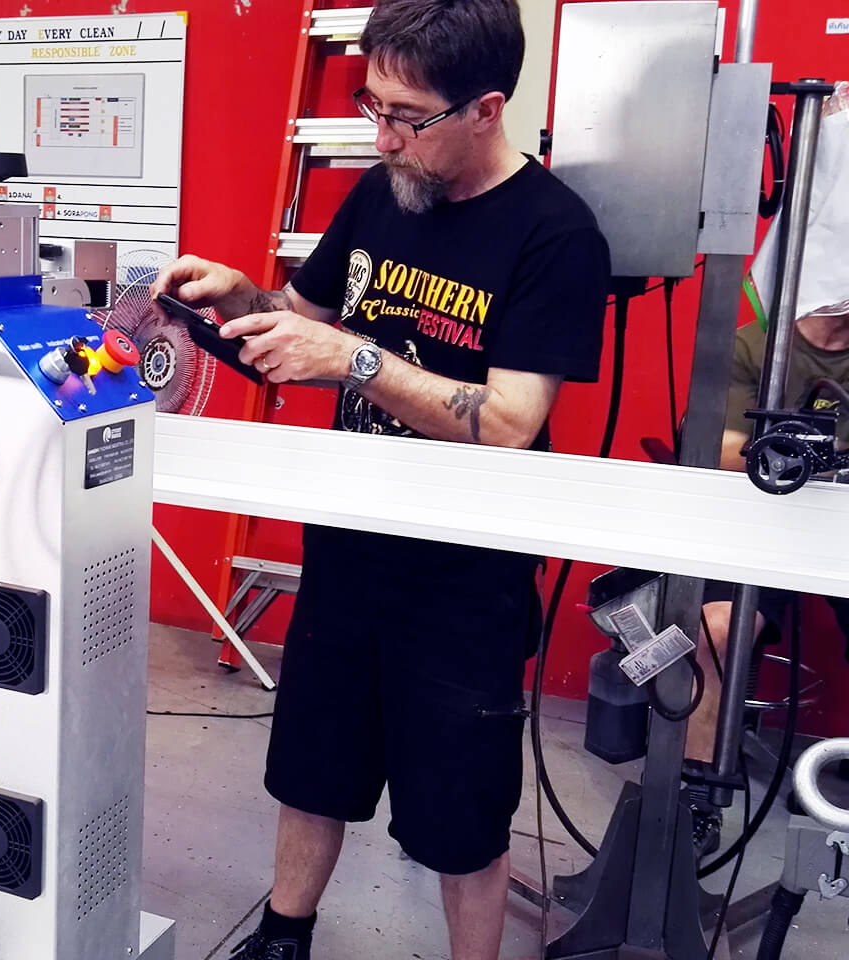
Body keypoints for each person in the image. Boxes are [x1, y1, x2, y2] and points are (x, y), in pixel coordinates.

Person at [150, 2, 610, 957]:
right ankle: (283, 936)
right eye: (373, 105)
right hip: (349, 543)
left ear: (485, 109)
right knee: (311, 768)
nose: (382, 135)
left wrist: (356, 361)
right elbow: (301, 318)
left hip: (464, 577)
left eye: (407, 116)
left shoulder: (555, 233)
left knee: (460, 814)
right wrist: (239, 299)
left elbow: (512, 422)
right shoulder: (382, 192)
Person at [685, 306, 849, 855]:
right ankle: (698, 796)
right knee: (717, 629)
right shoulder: (754, 345)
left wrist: (790, 454)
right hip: (763, 520)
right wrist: (821, 457)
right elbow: (723, 449)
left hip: (842, 524)